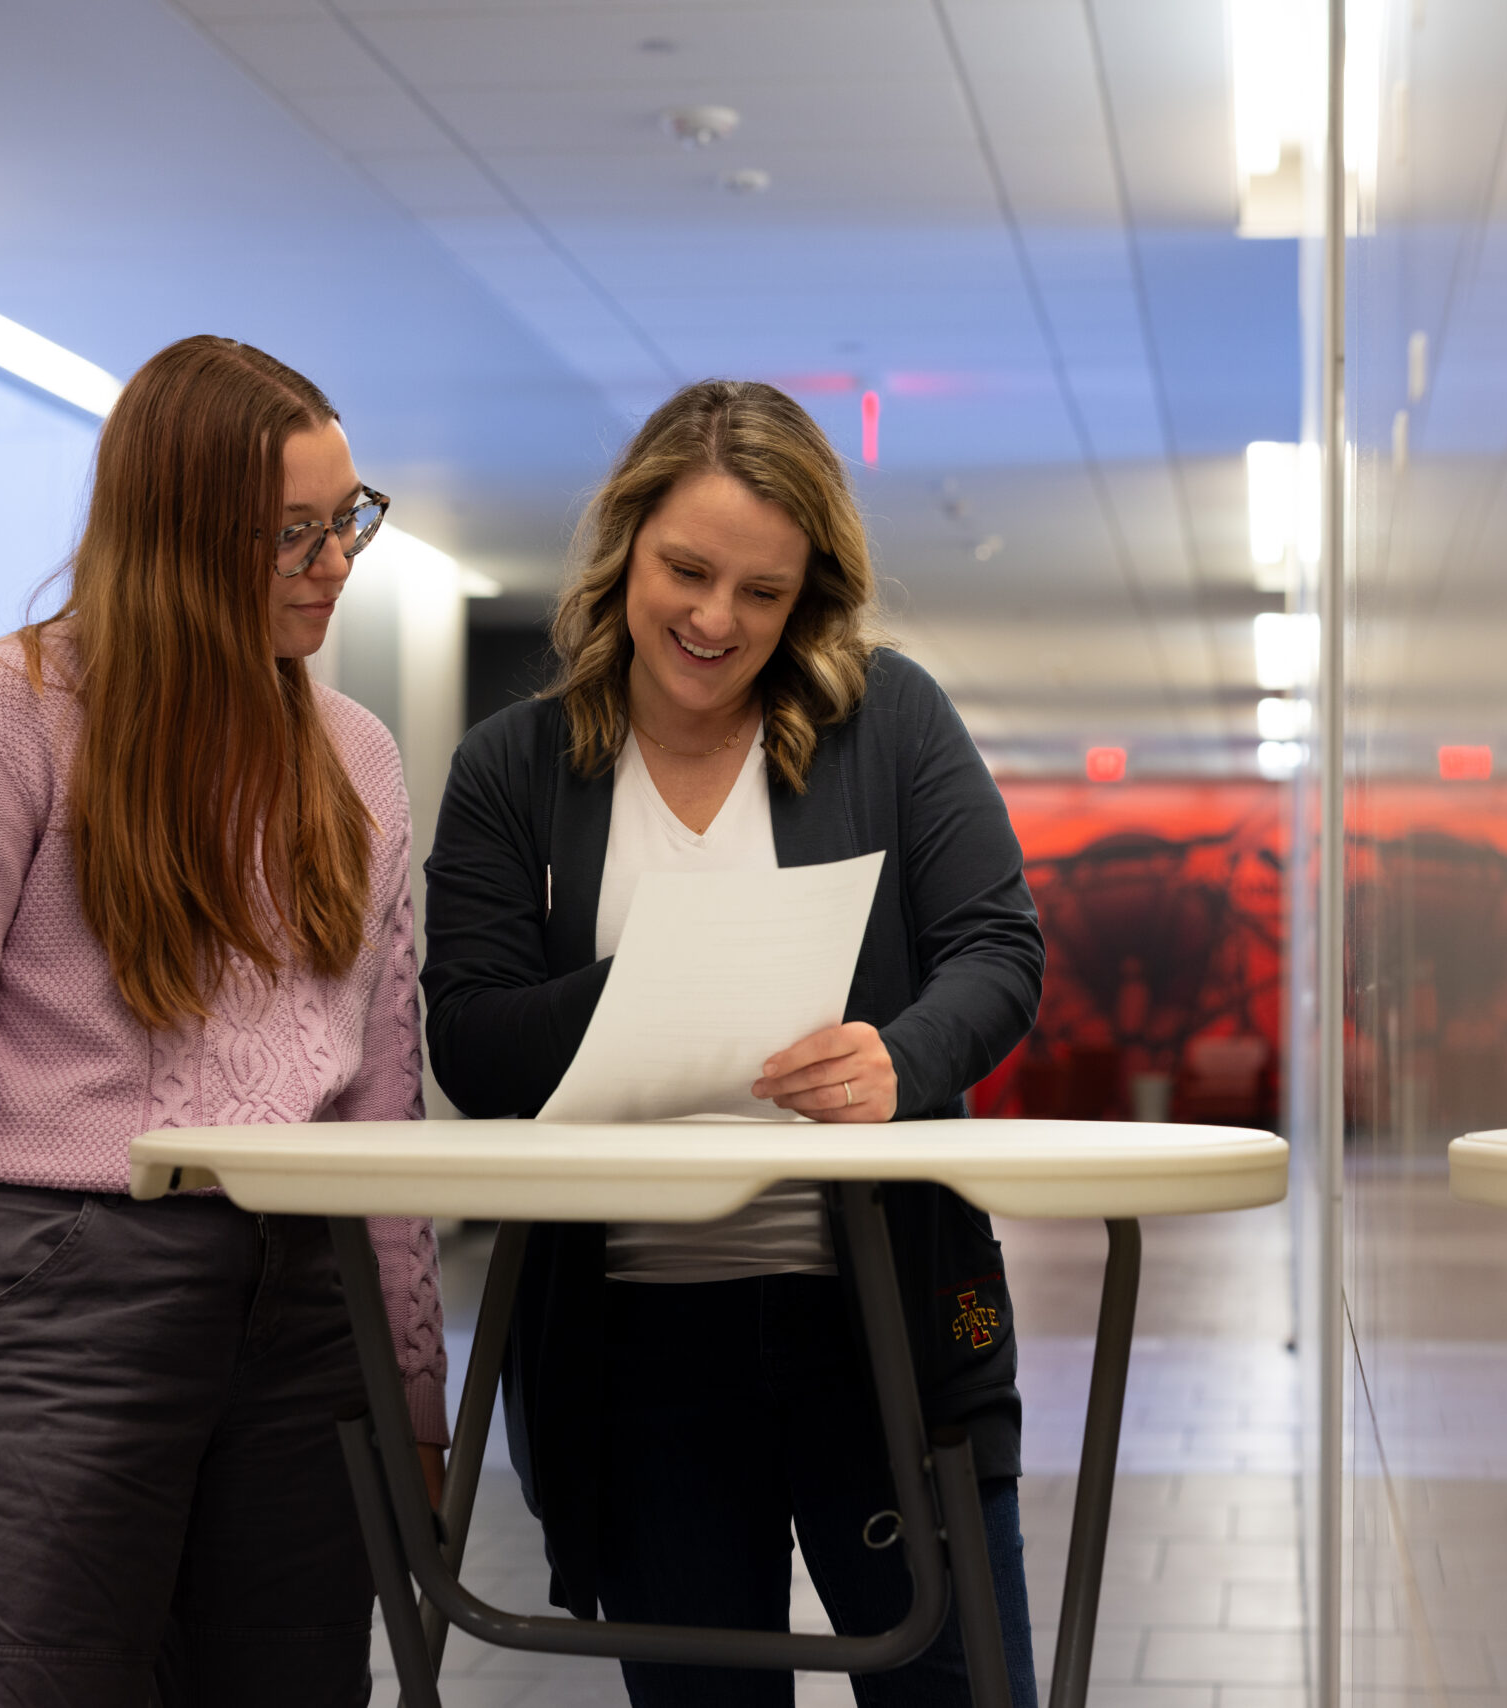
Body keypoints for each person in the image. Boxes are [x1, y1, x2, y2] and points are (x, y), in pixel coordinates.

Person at [0, 335, 448, 1705]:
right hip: (56, 1297)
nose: (335, 563)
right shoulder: (16, 711)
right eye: (292, 533)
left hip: (304, 1315)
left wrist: (416, 1393)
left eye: (349, 520)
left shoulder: (358, 756)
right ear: (182, 537)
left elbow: (384, 1103)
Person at [421, 379, 1046, 1708]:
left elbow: (998, 950)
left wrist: (903, 1058)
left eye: (761, 593)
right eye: (686, 572)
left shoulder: (893, 720)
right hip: (639, 1355)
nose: (715, 621)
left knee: (959, 1686)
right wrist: (667, 982)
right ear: (624, 551)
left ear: (810, 593)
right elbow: (472, 1040)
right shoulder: (510, 771)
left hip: (881, 1322)